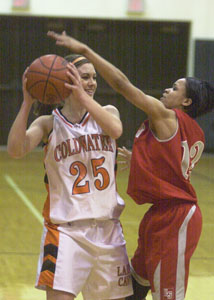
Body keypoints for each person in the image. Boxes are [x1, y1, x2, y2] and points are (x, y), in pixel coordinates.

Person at [47, 30, 214, 300]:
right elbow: (173, 165)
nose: (166, 90)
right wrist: (141, 159)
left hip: (176, 217)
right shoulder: (191, 130)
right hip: (159, 215)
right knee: (132, 290)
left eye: (174, 88)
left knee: (168, 295)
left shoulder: (168, 116)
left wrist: (87, 51)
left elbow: (124, 85)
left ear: (186, 102)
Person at [7, 54, 133, 300]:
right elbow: (15, 149)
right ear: (66, 81)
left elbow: (116, 130)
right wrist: (26, 102)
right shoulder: (49, 124)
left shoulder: (107, 112)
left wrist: (82, 96)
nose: (92, 83)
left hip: (108, 230)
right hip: (66, 233)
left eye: (94, 78)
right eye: (85, 77)